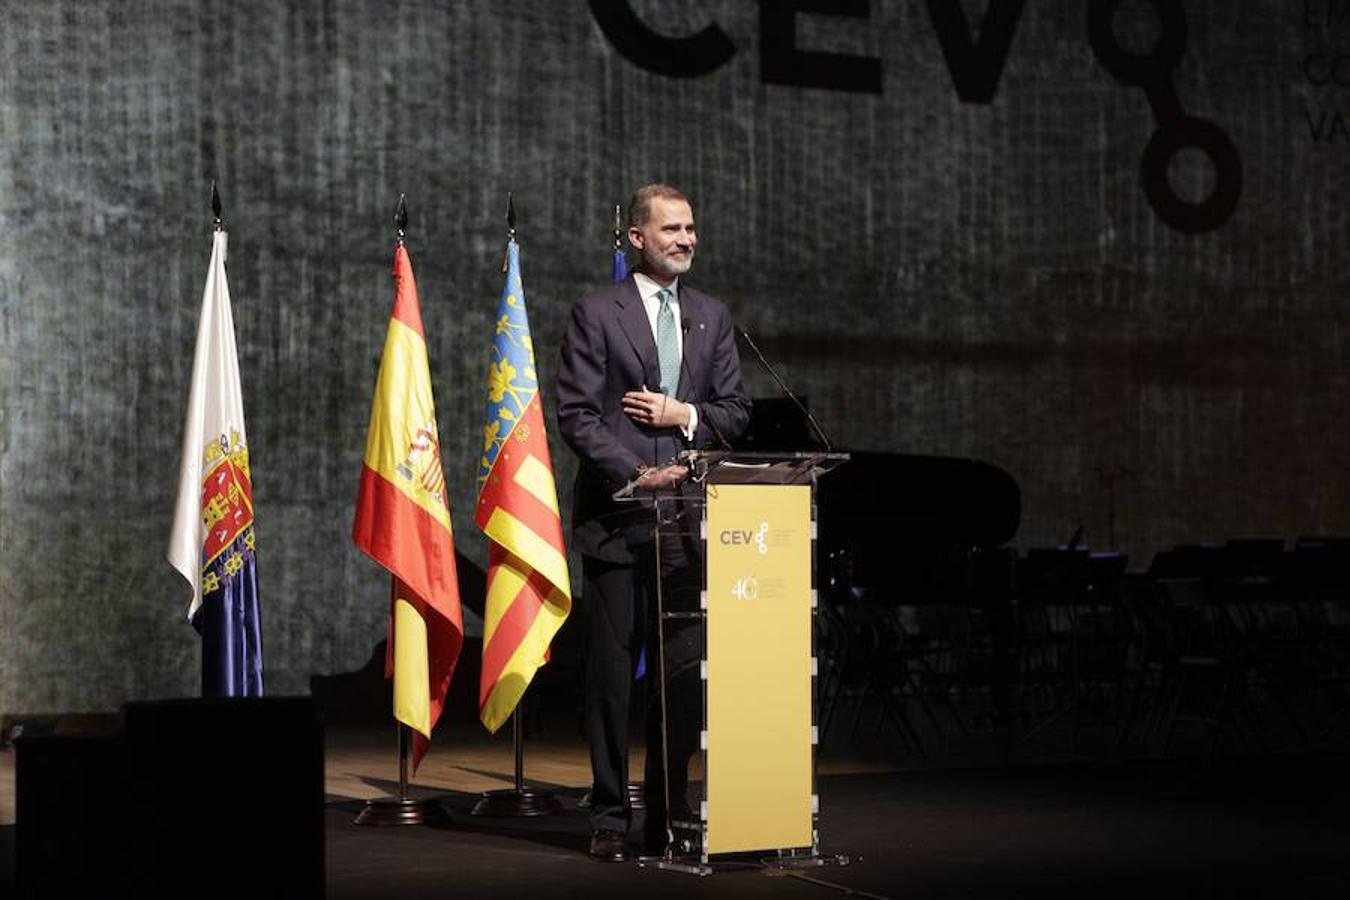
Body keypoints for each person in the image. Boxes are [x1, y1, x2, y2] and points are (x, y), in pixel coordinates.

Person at [557, 183, 751, 862]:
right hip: (617, 521)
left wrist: (683, 417)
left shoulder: (712, 316)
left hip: (689, 527)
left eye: (692, 228)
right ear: (637, 238)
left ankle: (669, 812)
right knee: (611, 681)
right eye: (672, 228)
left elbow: (734, 411)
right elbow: (578, 415)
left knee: (681, 679)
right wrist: (635, 475)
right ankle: (611, 814)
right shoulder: (595, 311)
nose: (687, 239)